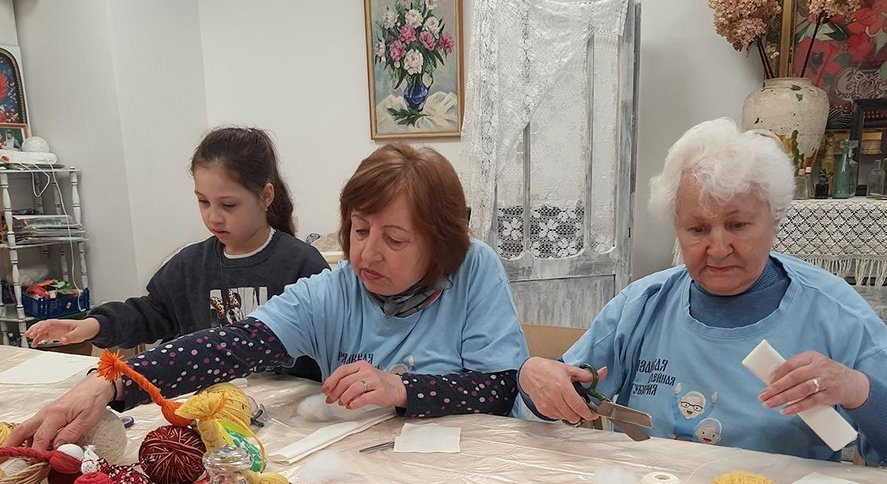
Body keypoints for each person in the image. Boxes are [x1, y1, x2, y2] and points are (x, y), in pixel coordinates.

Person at [5, 143, 529, 450]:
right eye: (360, 229)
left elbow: (501, 387)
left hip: (473, 467)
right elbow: (229, 346)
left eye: (394, 239)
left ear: (439, 244)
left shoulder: (472, 268)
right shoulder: (335, 289)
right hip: (373, 469)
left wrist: (399, 388)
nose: (367, 254)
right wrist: (113, 381)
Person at [518, 118, 887, 474]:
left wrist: (858, 390)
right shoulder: (641, 305)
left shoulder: (837, 314)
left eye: (737, 225)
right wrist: (534, 379)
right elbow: (551, 398)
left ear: (775, 216)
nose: (717, 249)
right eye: (697, 229)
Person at [24, 127, 329, 370]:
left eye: (228, 204)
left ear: (265, 196)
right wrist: (95, 324)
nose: (213, 216)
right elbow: (150, 313)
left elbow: (332, 341)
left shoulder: (301, 264)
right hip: (209, 405)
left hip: (291, 414)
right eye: (203, 201)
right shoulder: (190, 265)